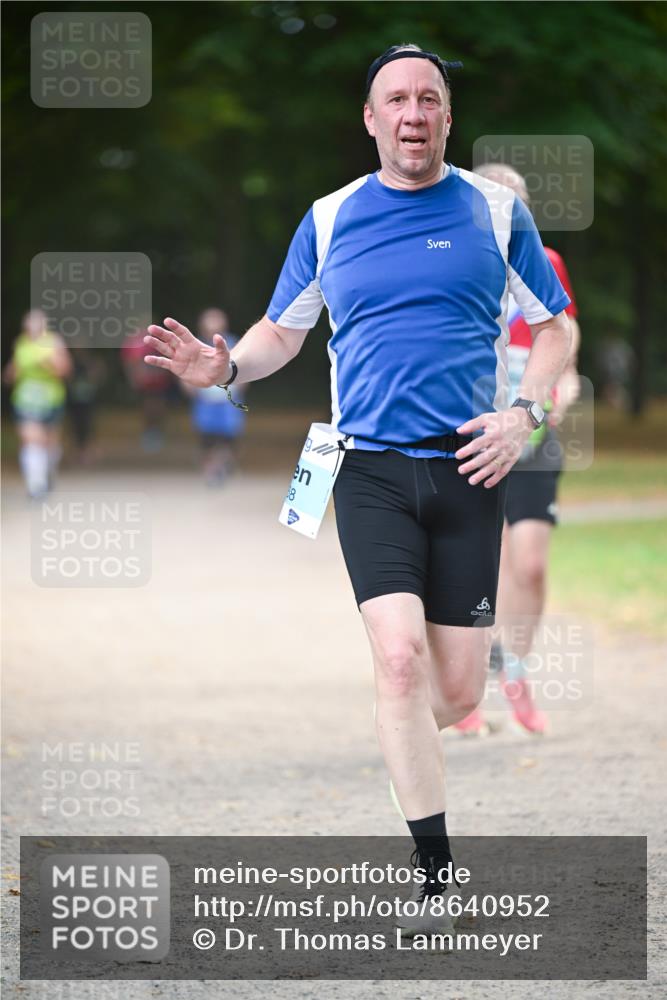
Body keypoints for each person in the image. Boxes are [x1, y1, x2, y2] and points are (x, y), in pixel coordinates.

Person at [143, 44, 572, 935]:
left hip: (469, 465)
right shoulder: (329, 217)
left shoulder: (496, 213)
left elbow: (555, 328)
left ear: (446, 116)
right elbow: (280, 332)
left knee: (457, 694)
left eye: (428, 99)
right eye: (395, 100)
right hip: (367, 468)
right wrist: (225, 367)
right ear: (371, 119)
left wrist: (524, 416)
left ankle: (401, 735)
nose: (413, 114)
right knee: (399, 661)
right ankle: (436, 878)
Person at [455, 163, 581, 737]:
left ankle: (517, 672)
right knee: (483, 563)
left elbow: (567, 341)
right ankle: (464, 686)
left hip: (533, 434)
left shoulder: (546, 262)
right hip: (474, 437)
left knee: (529, 565)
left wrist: (562, 388)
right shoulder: (455, 264)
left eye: (518, 201)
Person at [3, 308, 72, 499]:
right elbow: (12, 371)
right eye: (29, 323)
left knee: (50, 443)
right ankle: (36, 485)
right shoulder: (21, 343)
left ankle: (47, 472)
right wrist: (11, 374)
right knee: (32, 439)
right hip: (25, 401)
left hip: (51, 400)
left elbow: (65, 370)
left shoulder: (54, 342)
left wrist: (47, 363)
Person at [184, 308, 247, 485]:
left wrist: (241, 386)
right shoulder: (196, 346)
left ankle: (223, 466)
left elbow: (245, 366)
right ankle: (211, 469)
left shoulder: (235, 343)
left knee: (228, 437)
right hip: (205, 400)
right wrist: (189, 387)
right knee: (207, 438)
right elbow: (186, 369)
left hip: (227, 400)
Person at [121, 326, 172, 452]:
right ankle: (149, 432)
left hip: (159, 381)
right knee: (148, 407)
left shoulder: (158, 339)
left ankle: (156, 432)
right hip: (144, 383)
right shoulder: (132, 342)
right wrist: (134, 378)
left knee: (158, 406)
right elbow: (130, 362)